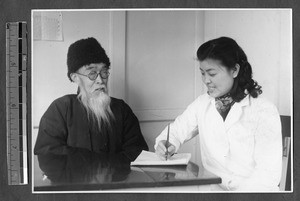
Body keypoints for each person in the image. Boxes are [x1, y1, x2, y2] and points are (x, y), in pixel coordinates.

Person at [154, 37, 282, 191]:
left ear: (234, 70)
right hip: (212, 190)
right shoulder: (202, 104)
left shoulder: (264, 109)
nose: (206, 80)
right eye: (202, 73)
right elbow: (174, 131)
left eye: (212, 73)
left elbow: (267, 176)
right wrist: (167, 144)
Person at [34, 37, 148, 161]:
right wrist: (95, 165)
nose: (100, 80)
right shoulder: (61, 109)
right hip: (75, 180)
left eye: (104, 72)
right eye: (92, 73)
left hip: (116, 180)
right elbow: (47, 154)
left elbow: (138, 153)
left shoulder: (121, 109)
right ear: (75, 77)